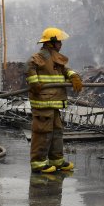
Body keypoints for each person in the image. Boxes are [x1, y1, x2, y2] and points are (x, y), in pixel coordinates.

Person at [25, 27, 82, 174]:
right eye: (59, 42)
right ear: (51, 43)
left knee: (56, 132)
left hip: (54, 103)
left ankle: (56, 160)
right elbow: (29, 66)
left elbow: (65, 69)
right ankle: (38, 163)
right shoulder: (40, 57)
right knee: (42, 133)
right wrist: (34, 83)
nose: (61, 44)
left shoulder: (55, 58)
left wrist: (73, 76)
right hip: (43, 103)